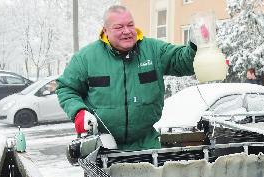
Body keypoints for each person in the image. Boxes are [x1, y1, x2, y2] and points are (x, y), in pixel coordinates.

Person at [56, 5, 197, 150]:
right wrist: (78, 112)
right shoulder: (87, 58)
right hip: (101, 146)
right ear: (105, 31)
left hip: (146, 145)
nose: (127, 31)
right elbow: (66, 88)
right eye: (119, 27)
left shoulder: (153, 50)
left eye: (130, 25)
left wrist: (195, 44)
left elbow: (183, 62)